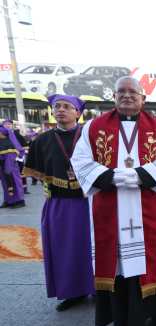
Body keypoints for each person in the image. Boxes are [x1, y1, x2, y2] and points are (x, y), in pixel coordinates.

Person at [71, 76, 156, 326]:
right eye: (121, 92)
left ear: (143, 98)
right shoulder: (93, 128)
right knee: (121, 265)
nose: (127, 96)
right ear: (114, 97)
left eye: (133, 92)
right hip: (112, 209)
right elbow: (81, 161)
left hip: (151, 208)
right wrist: (112, 177)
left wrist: (139, 177)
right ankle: (123, 323)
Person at [23, 95, 95, 311]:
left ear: (78, 113)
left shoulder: (90, 137)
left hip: (90, 202)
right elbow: (35, 172)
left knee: (94, 248)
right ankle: (73, 292)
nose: (61, 110)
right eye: (57, 107)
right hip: (60, 204)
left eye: (67, 107)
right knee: (65, 249)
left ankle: (100, 288)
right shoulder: (41, 141)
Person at [0, 120, 25, 208]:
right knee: (5, 183)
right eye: (6, 124)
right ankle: (8, 200)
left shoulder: (9, 143)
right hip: (3, 167)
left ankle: (19, 201)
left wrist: (7, 167)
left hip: (10, 166)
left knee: (14, 182)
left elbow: (11, 156)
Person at [3, 120, 29, 194]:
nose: (8, 125)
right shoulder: (2, 135)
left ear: (12, 125)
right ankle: (13, 191)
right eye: (6, 124)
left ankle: (24, 189)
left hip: (18, 157)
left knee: (21, 174)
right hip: (7, 158)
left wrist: (20, 150)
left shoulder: (16, 134)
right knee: (9, 175)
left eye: (9, 124)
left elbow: (25, 145)